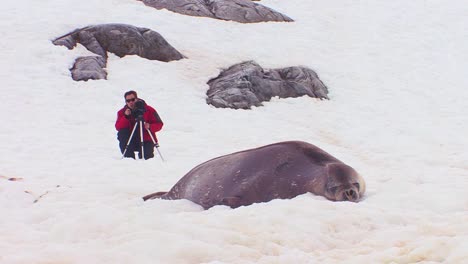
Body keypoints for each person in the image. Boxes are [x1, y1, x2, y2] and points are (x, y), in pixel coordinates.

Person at [115, 90, 164, 159]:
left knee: (147, 158)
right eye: (128, 101)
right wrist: (126, 117)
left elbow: (159, 124)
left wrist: (150, 126)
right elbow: (118, 127)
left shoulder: (149, 110)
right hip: (130, 140)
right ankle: (129, 161)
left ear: (137, 99)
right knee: (122, 133)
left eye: (133, 99)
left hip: (146, 139)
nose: (131, 102)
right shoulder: (122, 112)